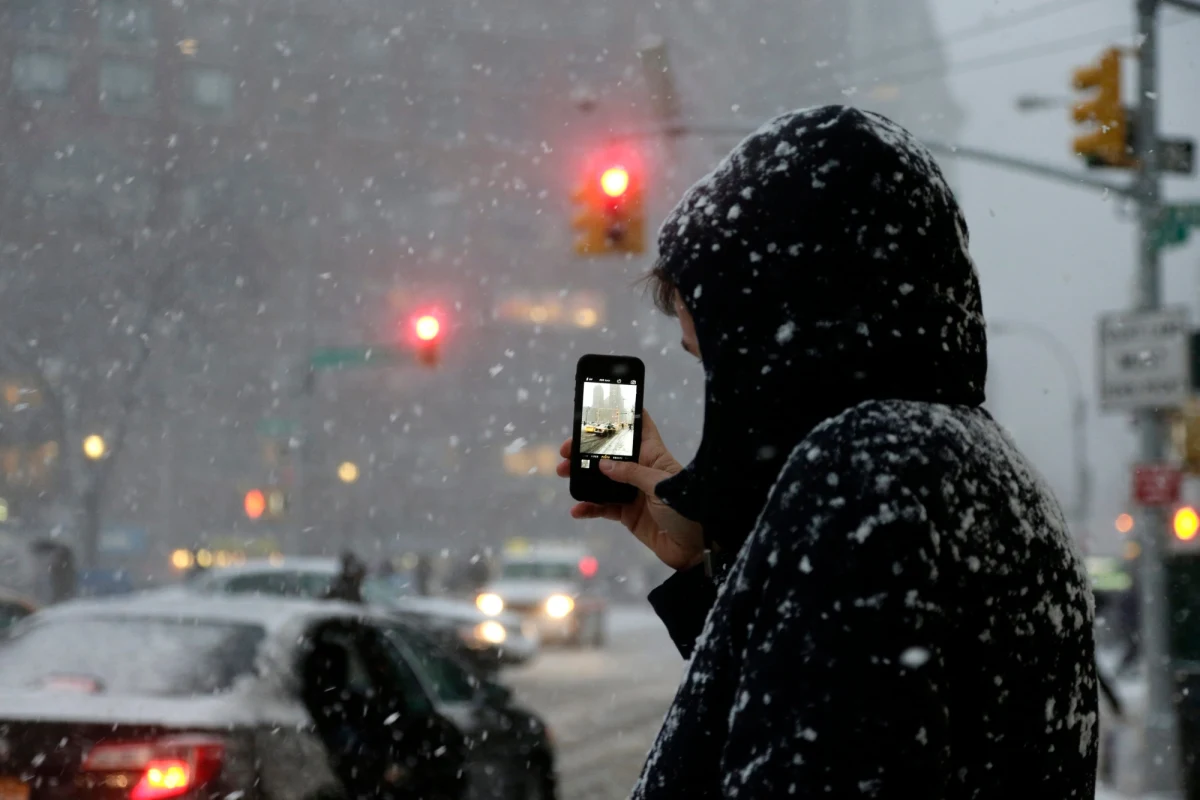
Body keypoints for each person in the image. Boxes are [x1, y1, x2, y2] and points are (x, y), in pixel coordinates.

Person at [556, 106, 1097, 797]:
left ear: (777, 344)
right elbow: (838, 715)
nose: (722, 396)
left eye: (715, 364)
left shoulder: (864, 473)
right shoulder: (989, 476)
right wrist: (719, 569)